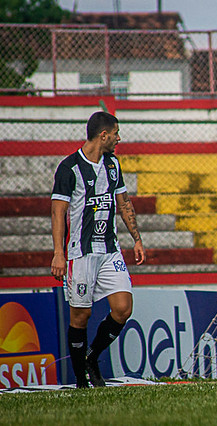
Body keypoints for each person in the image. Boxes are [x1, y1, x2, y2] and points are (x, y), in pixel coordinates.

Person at [50, 111, 146, 388]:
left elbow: (124, 202)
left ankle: (92, 358)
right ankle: (81, 379)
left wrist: (136, 239)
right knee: (81, 316)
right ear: (103, 135)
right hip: (80, 254)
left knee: (123, 308)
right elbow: (58, 213)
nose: (119, 138)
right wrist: (59, 252)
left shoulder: (113, 164)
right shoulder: (69, 168)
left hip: (109, 250)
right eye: (116, 133)